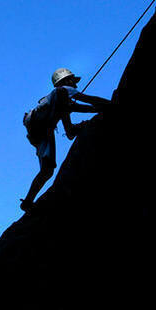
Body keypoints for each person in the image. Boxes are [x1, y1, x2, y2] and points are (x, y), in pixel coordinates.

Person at [20, 68, 111, 212]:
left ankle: (27, 202)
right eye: (73, 81)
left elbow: (69, 133)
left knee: (47, 171)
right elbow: (87, 100)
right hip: (42, 128)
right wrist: (110, 104)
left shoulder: (59, 104)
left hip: (39, 130)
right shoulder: (62, 91)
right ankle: (28, 201)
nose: (75, 85)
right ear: (66, 81)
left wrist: (80, 123)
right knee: (47, 170)